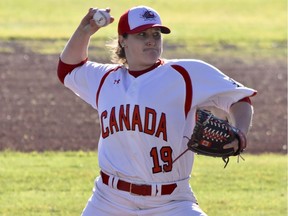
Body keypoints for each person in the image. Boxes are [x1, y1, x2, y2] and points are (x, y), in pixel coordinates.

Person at [57, 5, 256, 216]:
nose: (151, 40)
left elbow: (239, 99)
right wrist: (84, 30)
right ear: (123, 41)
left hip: (171, 202)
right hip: (109, 200)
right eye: (141, 35)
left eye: (156, 34)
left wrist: (240, 132)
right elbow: (68, 69)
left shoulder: (186, 73)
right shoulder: (105, 79)